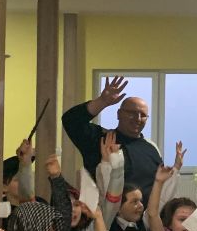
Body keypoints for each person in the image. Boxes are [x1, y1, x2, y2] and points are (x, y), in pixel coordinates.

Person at [63, 76, 165, 209]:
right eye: (132, 113)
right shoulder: (100, 139)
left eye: (143, 115)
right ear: (118, 114)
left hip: (143, 219)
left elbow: (159, 188)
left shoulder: (151, 148)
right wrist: (102, 102)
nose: (138, 118)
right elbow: (70, 120)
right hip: (102, 216)